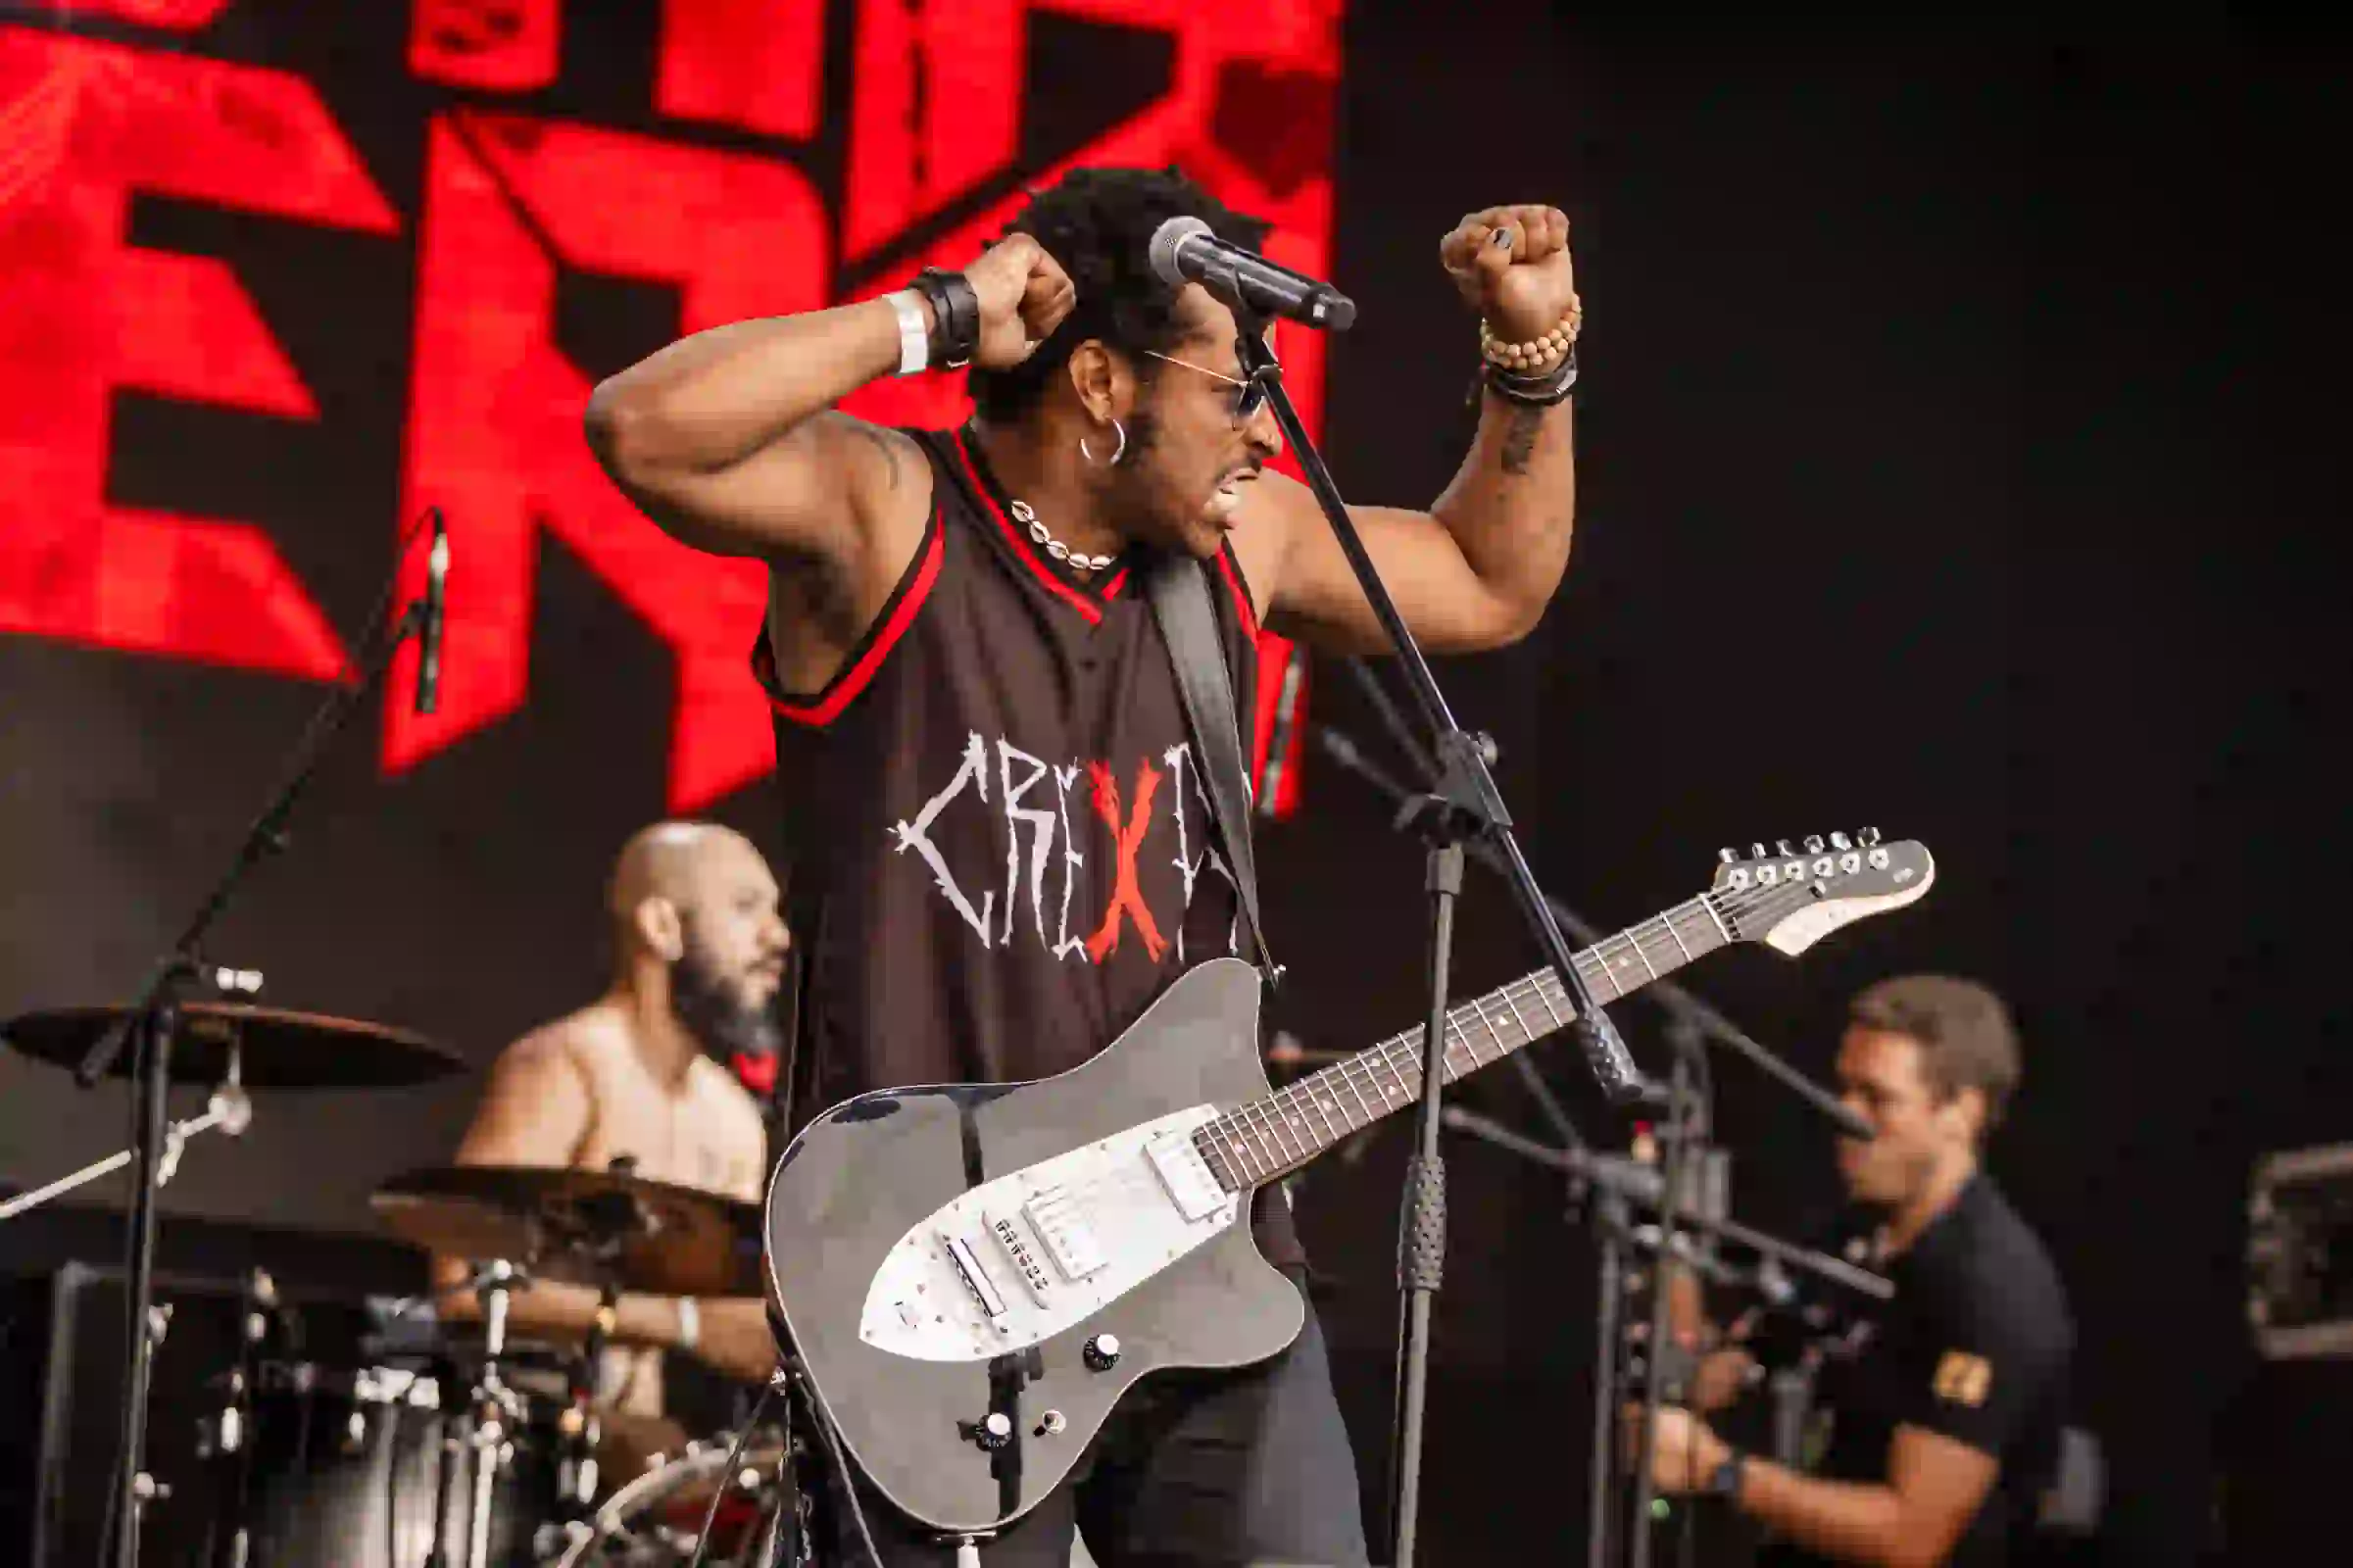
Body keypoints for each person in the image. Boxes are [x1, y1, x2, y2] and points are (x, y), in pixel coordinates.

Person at [584, 164, 1583, 1567]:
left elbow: (1487, 582)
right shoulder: (889, 515)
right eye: (1234, 387)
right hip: (936, 1274)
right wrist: (942, 314)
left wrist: (1532, 358)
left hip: (1202, 1256)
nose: (1262, 428)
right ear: (1103, 385)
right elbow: (641, 429)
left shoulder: (1238, 549)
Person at [1630, 976, 2075, 1567]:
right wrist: (1672, 1257)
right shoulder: (1857, 1232)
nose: (1845, 1116)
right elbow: (1726, 1366)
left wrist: (1719, 1470)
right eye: (1844, 1089)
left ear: (1961, 1112)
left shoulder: (1990, 1290)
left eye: (1877, 1098)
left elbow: (1909, 1539)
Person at [434, 821, 790, 1445]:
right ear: (661, 927)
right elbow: (466, 1285)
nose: (778, 936)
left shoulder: (733, 1115)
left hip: (631, 1457)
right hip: (518, 1444)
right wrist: (687, 1326)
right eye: (745, 907)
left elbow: (730, 1317)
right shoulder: (569, 1064)